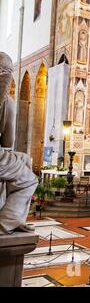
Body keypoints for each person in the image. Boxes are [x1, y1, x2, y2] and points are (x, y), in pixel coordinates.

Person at [0, 52, 38, 234]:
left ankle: (16, 218)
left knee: (24, 160)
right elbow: (8, 141)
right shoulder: (7, 102)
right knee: (29, 179)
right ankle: (5, 222)